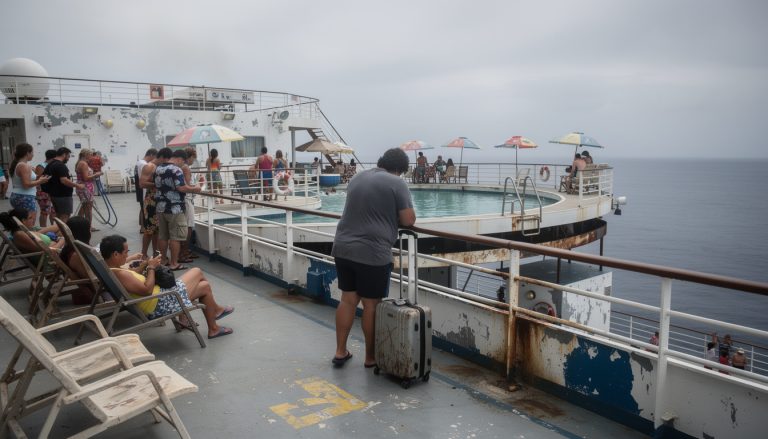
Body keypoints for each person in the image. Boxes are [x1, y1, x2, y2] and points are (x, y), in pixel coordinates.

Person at [331, 148, 416, 368]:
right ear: (400, 169)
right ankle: (370, 358)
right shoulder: (397, 183)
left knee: (347, 300)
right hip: (372, 252)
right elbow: (408, 220)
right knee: (371, 305)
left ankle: (340, 352)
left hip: (343, 246)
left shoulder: (358, 177)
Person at [100, 234, 234, 339]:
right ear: (115, 254)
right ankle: (213, 315)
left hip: (160, 298)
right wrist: (151, 267)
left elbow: (133, 274)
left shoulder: (111, 269)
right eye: (125, 252)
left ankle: (212, 327)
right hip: (161, 303)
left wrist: (145, 264)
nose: (127, 255)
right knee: (197, 272)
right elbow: (147, 290)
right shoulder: (121, 274)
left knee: (204, 286)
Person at [154, 148, 202, 271]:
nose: (183, 165)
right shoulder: (176, 169)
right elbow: (181, 188)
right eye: (183, 162)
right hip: (175, 208)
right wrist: (196, 188)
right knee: (175, 237)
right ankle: (174, 263)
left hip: (160, 207)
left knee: (163, 236)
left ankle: (163, 260)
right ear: (180, 159)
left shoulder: (159, 168)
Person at [9, 143, 50, 224]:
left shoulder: (19, 164)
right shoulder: (24, 166)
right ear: (27, 153)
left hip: (18, 195)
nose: (33, 155)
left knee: (21, 222)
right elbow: (26, 184)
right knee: (29, 223)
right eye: (32, 152)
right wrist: (40, 181)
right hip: (25, 197)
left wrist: (39, 178)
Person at [42, 147, 83, 222]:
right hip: (63, 195)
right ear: (64, 154)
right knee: (65, 216)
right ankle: (62, 230)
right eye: (68, 156)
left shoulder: (50, 164)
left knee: (59, 215)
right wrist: (78, 185)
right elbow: (64, 180)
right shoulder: (60, 165)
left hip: (54, 194)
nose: (68, 159)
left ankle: (58, 229)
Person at [139, 150, 162, 259]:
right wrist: (157, 184)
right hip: (151, 201)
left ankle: (155, 253)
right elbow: (142, 183)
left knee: (156, 230)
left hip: (158, 200)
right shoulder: (149, 166)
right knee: (149, 230)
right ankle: (143, 254)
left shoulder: (158, 166)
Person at [180, 147, 202, 263]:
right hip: (187, 199)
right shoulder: (186, 168)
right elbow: (188, 185)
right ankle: (184, 252)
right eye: (193, 158)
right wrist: (198, 185)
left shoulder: (181, 167)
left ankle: (183, 251)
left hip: (184, 199)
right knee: (188, 227)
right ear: (189, 157)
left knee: (185, 226)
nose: (194, 160)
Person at [75, 149, 103, 231]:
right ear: (86, 155)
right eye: (90, 155)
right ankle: (88, 227)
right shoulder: (83, 164)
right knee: (88, 209)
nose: (91, 156)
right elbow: (86, 178)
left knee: (84, 207)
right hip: (86, 187)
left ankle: (78, 225)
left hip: (83, 187)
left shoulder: (80, 162)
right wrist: (96, 174)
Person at [135, 148, 158, 236]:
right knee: (144, 210)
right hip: (144, 191)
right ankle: (143, 227)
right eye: (155, 157)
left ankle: (142, 227)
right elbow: (144, 179)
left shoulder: (139, 162)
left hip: (140, 190)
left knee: (142, 209)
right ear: (151, 155)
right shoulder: (144, 164)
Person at [34, 150, 57, 227]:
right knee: (44, 212)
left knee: (53, 211)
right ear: (54, 157)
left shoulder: (54, 165)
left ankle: (53, 227)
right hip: (43, 192)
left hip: (53, 191)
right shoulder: (41, 166)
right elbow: (39, 180)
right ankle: (43, 229)